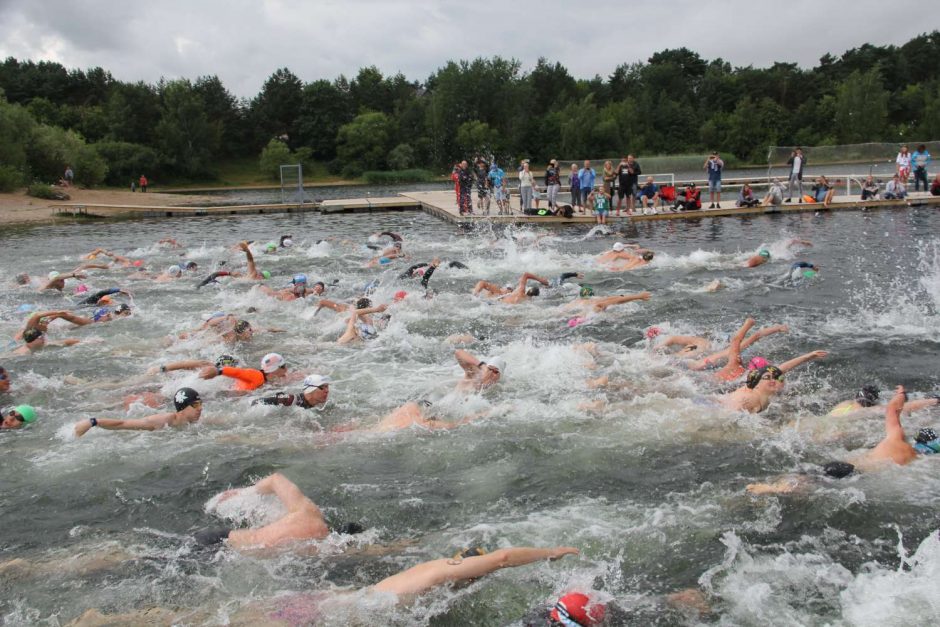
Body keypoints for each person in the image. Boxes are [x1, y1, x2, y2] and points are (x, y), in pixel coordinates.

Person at [194, 473, 363, 550]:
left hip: (220, 537)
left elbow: (276, 478)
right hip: (225, 544)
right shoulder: (314, 551)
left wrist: (245, 492)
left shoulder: (309, 512)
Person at [73, 387, 202, 437]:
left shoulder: (194, 422)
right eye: (195, 405)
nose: (200, 408)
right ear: (183, 407)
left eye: (200, 404)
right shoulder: (163, 420)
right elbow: (123, 424)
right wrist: (93, 422)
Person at [199, 352, 291, 391]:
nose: (286, 369)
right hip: (231, 397)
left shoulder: (267, 379)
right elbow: (239, 372)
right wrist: (218, 371)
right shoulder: (257, 376)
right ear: (274, 369)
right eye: (283, 366)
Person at [253, 374, 331, 409]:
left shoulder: (323, 404)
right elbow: (256, 402)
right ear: (310, 390)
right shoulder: (290, 400)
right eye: (322, 388)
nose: (327, 391)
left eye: (327, 387)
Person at [472, 271, 550, 304]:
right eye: (508, 288)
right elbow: (481, 283)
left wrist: (541, 280)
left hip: (490, 304)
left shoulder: (518, 292)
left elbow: (525, 274)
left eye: (509, 288)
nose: (507, 289)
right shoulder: (524, 298)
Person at [562, 288, 651, 314]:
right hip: (588, 318)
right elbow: (618, 300)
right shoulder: (594, 301)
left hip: (572, 316)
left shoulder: (573, 303)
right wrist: (638, 296)